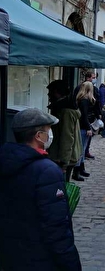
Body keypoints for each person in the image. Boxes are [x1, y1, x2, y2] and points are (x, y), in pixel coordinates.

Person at [0, 108, 82, 270]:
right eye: (48, 130)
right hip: (39, 257)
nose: (50, 134)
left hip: (10, 254)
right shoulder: (47, 171)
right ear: (39, 136)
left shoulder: (6, 160)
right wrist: (71, 264)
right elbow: (56, 227)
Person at [47, 80, 83, 182]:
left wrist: (64, 162)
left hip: (63, 157)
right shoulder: (65, 107)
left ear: (57, 92)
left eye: (50, 92)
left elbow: (67, 137)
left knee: (61, 188)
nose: (48, 94)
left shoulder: (66, 111)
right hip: (64, 155)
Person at [73, 70, 101, 159]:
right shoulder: (83, 98)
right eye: (93, 78)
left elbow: (97, 103)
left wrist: (97, 114)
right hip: (85, 121)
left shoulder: (92, 91)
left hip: (89, 119)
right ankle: (79, 165)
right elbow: (84, 114)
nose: (94, 79)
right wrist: (88, 127)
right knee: (82, 143)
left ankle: (85, 154)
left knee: (85, 142)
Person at [73, 81, 97, 181]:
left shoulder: (82, 99)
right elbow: (84, 116)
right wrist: (88, 127)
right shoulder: (84, 100)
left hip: (83, 126)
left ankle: (81, 168)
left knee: (82, 148)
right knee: (81, 149)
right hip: (83, 127)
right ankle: (76, 171)